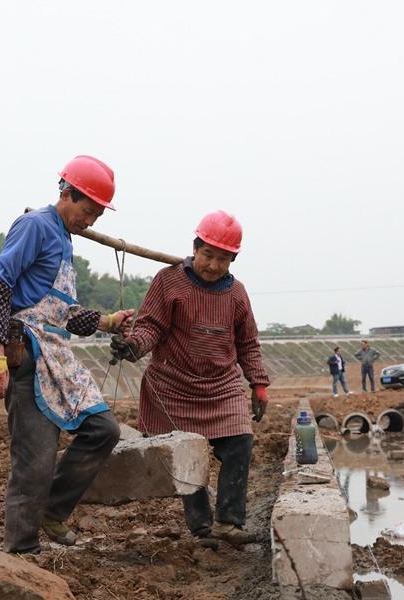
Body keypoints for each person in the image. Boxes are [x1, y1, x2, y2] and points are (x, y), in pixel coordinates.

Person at [0, 155, 135, 555]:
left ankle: (51, 509)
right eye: (88, 211)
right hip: (27, 351)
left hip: (57, 352)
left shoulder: (64, 241)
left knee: (103, 430)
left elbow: (63, 313)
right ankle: (21, 549)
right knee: (34, 461)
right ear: (67, 194)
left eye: (98, 215)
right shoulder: (35, 226)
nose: (91, 221)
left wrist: (108, 321)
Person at [110, 210, 270, 546]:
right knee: (187, 452)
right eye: (208, 255)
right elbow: (151, 326)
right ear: (195, 248)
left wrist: (259, 385)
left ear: (233, 260)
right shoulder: (168, 281)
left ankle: (228, 521)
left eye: (223, 259)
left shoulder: (237, 294)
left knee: (240, 441)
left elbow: (248, 343)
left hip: (222, 385)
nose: (213, 266)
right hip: (174, 385)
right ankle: (201, 528)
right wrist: (133, 345)